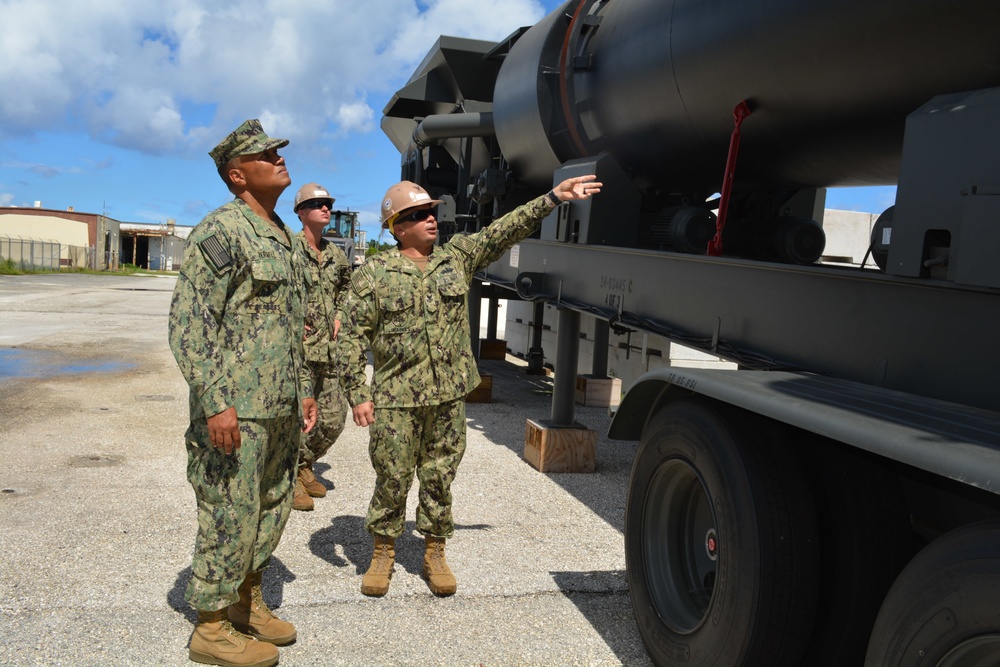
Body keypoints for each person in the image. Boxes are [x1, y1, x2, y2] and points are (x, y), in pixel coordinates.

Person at [335, 174, 602, 597]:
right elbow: (349, 336)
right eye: (418, 215)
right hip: (396, 400)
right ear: (396, 226)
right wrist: (357, 394)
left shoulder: (456, 258)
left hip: (447, 396)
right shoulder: (374, 276)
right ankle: (383, 550)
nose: (431, 220)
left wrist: (551, 198)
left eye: (432, 213)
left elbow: (503, 230)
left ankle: (435, 550)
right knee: (392, 477)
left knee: (440, 476)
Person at [168, 119, 317, 667]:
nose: (279, 158)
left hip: (277, 407)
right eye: (266, 154)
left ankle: (243, 603)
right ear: (238, 175)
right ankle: (210, 628)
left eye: (279, 150)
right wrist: (216, 403)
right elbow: (190, 324)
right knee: (230, 512)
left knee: (271, 509)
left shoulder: (280, 233)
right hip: (237, 412)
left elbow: (287, 323)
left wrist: (302, 391)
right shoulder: (222, 231)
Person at [290, 182, 351, 511]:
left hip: (328, 351)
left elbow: (347, 290)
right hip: (298, 354)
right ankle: (291, 477)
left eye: (327, 203)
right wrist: (293, 321)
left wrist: (340, 314)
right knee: (296, 416)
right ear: (300, 212)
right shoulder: (289, 249)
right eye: (316, 203)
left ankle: (304, 462)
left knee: (333, 418)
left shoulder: (335, 253)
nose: (325, 208)